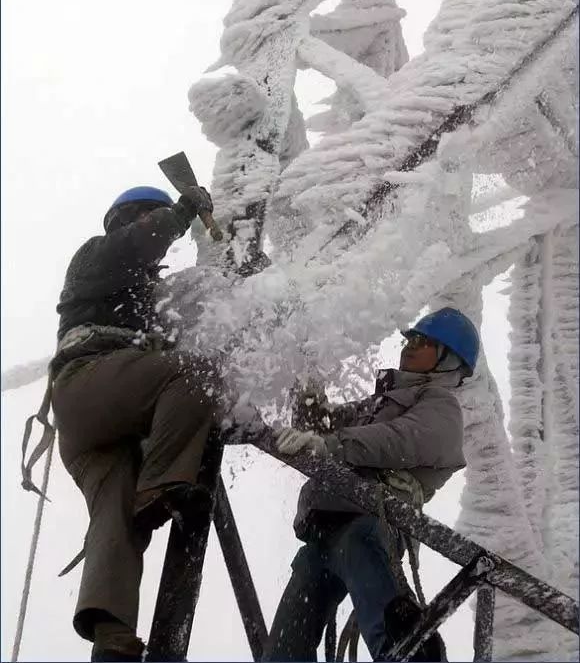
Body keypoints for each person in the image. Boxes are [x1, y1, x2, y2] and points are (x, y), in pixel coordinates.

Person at [49, 184, 228, 662]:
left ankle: (112, 639)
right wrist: (182, 213)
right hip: (88, 381)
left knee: (117, 519)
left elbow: (202, 301)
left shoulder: (149, 297)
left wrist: (234, 271)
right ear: (127, 219)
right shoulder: (96, 256)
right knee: (194, 372)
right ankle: (162, 486)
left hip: (96, 421)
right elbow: (137, 243)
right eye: (150, 219)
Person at [264, 307, 480, 662]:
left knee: (372, 578)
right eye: (410, 339)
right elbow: (322, 428)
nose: (410, 346)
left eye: (422, 342)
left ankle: (408, 652)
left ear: (449, 360)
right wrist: (306, 375)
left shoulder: (441, 406)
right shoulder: (382, 402)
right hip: (325, 531)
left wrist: (330, 445)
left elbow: (399, 439)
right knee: (286, 645)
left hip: (369, 523)